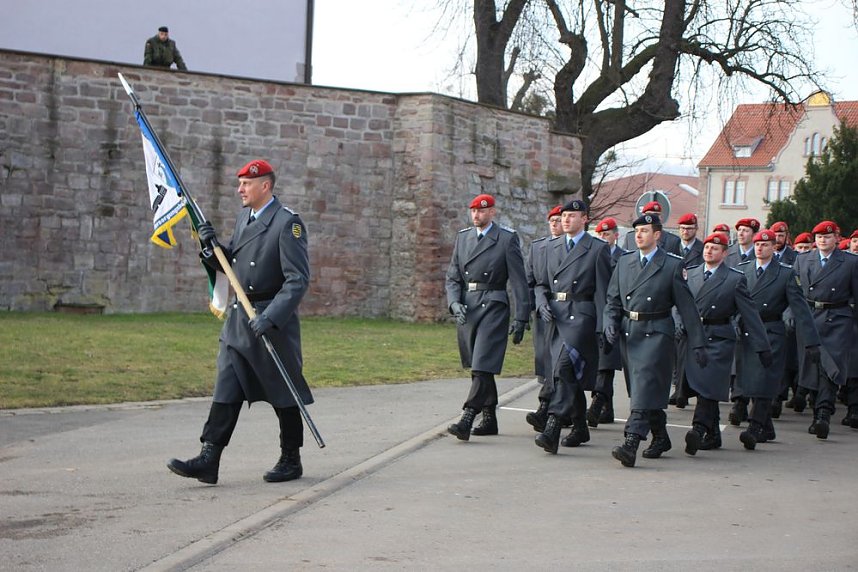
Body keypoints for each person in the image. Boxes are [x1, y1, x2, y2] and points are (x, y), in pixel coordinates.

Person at [167, 159, 312, 484]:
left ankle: (291, 458)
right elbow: (233, 260)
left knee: (283, 391)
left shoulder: (288, 224)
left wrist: (272, 317)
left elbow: (297, 280)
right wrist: (210, 247)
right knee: (227, 385)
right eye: (240, 183)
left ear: (265, 186)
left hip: (271, 320)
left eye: (246, 183)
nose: (240, 189)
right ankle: (209, 457)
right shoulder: (243, 217)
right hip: (239, 319)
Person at [603, 213, 707, 467]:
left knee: (645, 386)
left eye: (645, 231)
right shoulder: (625, 262)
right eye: (636, 231)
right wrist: (609, 324)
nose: (639, 235)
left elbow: (687, 307)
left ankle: (631, 442)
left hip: (657, 332)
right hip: (630, 332)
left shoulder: (671, 265)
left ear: (657, 235)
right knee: (641, 390)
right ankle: (660, 436)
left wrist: (698, 343)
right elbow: (612, 300)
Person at [445, 194, 530, 440]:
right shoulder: (463, 238)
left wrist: (521, 316)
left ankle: (468, 416)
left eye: (481, 211)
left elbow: (518, 281)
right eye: (473, 211)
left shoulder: (506, 238)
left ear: (492, 212)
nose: (476, 216)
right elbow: (452, 277)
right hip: (467, 308)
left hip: (494, 304)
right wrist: (453, 303)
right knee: (479, 366)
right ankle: (490, 417)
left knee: (483, 363)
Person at [680, 232, 772, 455]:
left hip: (719, 337)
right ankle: (712, 434)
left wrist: (763, 346)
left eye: (715, 248)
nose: (709, 251)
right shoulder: (690, 274)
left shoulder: (734, 278)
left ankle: (698, 428)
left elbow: (750, 314)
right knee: (702, 385)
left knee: (708, 384)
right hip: (694, 336)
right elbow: (679, 304)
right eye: (707, 247)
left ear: (724, 253)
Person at [532, 199, 612, 454]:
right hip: (555, 315)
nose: (566, 220)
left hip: (581, 315)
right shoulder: (552, 246)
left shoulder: (597, 249)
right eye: (564, 215)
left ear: (585, 219)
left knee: (563, 369)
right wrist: (541, 300)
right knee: (568, 374)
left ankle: (553, 425)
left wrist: (602, 327)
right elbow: (541, 282)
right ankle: (579, 426)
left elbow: (604, 291)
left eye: (572, 215)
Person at [733, 229, 821, 449]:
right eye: (758, 245)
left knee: (764, 379)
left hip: (771, 330)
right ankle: (767, 427)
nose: (760, 248)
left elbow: (800, 310)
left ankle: (754, 427)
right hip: (747, 332)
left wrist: (811, 341)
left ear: (774, 247)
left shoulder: (785, 274)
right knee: (751, 380)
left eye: (765, 244)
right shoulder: (742, 271)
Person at [792, 221, 858, 439]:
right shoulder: (802, 259)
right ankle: (816, 410)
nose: (822, 240)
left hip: (837, 319)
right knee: (812, 367)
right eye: (819, 237)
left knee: (831, 368)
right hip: (809, 318)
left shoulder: (849, 262)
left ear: (837, 239)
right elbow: (792, 292)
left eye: (827, 237)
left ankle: (823, 413)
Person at [587, 217, 625, 427]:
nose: (603, 237)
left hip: (614, 312)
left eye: (607, 234)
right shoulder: (593, 255)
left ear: (616, 236)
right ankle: (606, 408)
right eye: (600, 234)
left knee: (607, 361)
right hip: (595, 311)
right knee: (600, 361)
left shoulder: (624, 257)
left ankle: (598, 402)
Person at [526, 206, 564, 385]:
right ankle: (546, 398)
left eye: (559, 220)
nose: (555, 224)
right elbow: (530, 280)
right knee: (542, 355)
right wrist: (530, 309)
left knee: (561, 359)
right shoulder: (538, 246)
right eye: (552, 221)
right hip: (542, 310)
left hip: (565, 309)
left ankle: (551, 401)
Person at [670, 212, 704, 407]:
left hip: (691, 300)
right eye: (682, 228)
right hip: (672, 302)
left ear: (695, 229)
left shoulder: (700, 249)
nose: (685, 232)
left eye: (689, 228)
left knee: (687, 348)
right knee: (674, 350)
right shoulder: (672, 247)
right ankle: (678, 385)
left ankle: (683, 389)